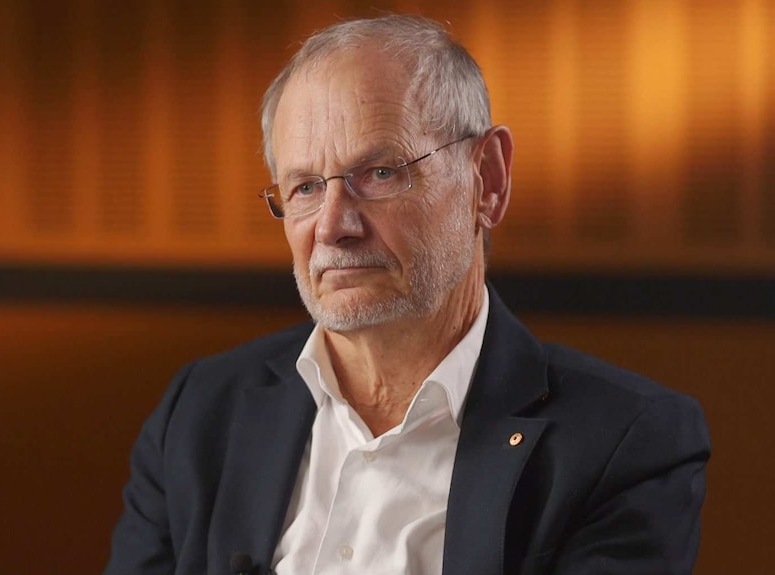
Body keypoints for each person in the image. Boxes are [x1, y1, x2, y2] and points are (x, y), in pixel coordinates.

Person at [104, 14, 710, 575]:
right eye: (307, 186)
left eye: (381, 173)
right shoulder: (200, 413)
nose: (334, 225)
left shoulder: (625, 443)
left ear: (487, 181)